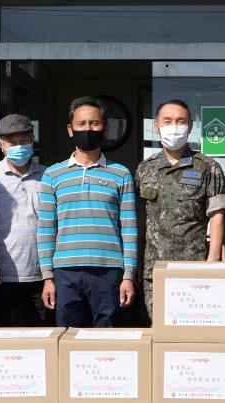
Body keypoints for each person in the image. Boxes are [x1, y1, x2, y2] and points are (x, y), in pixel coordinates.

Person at [37, 96, 136, 327]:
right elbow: (45, 229)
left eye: (94, 123)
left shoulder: (121, 174)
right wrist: (48, 277)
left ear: (106, 128)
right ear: (70, 130)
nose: (88, 129)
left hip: (109, 271)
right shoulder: (52, 175)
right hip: (65, 272)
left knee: (106, 337)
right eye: (81, 124)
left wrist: (128, 276)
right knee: (69, 338)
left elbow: (130, 228)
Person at [135, 99, 225, 320]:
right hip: (154, 268)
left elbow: (217, 216)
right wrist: (137, 261)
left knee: (192, 329)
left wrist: (212, 263)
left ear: (190, 127)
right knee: (157, 330)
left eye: (180, 121)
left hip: (194, 267)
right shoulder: (144, 169)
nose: (174, 126)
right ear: (156, 126)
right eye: (167, 121)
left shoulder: (208, 167)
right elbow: (140, 218)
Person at [0, 114, 51, 327]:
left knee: (40, 341)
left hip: (40, 276)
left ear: (32, 140)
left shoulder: (48, 176)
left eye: (23, 141)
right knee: (2, 342)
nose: (19, 146)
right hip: (0, 278)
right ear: (1, 145)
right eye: (12, 142)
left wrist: (50, 277)